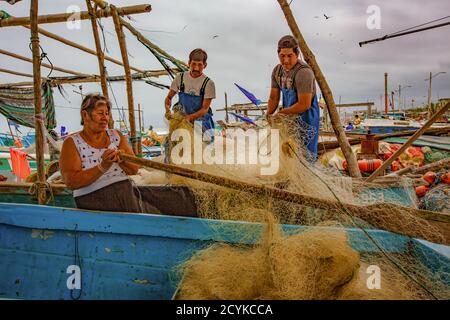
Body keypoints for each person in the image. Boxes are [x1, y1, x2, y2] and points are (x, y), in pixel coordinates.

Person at [59, 93, 154, 213]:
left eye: (107, 114)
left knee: (170, 201)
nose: (105, 118)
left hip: (125, 192)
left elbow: (134, 170)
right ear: (85, 115)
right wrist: (102, 166)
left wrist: (122, 160)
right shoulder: (72, 142)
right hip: (92, 198)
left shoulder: (116, 136)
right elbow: (71, 181)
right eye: (100, 113)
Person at [266, 35, 320, 161]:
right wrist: (269, 113)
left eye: (289, 56)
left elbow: (304, 104)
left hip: (307, 120)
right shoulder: (277, 72)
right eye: (282, 56)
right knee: (289, 153)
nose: (285, 60)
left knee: (306, 156)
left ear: (297, 54)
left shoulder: (304, 72)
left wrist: (282, 113)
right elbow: (274, 97)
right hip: (289, 119)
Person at [164, 48, 216, 141]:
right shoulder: (180, 78)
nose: (196, 68)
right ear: (189, 63)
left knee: (205, 146)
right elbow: (168, 98)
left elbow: (205, 109)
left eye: (200, 65)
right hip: (183, 117)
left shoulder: (208, 83)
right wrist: (167, 110)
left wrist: (189, 118)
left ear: (205, 65)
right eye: (193, 64)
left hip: (201, 120)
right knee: (171, 144)